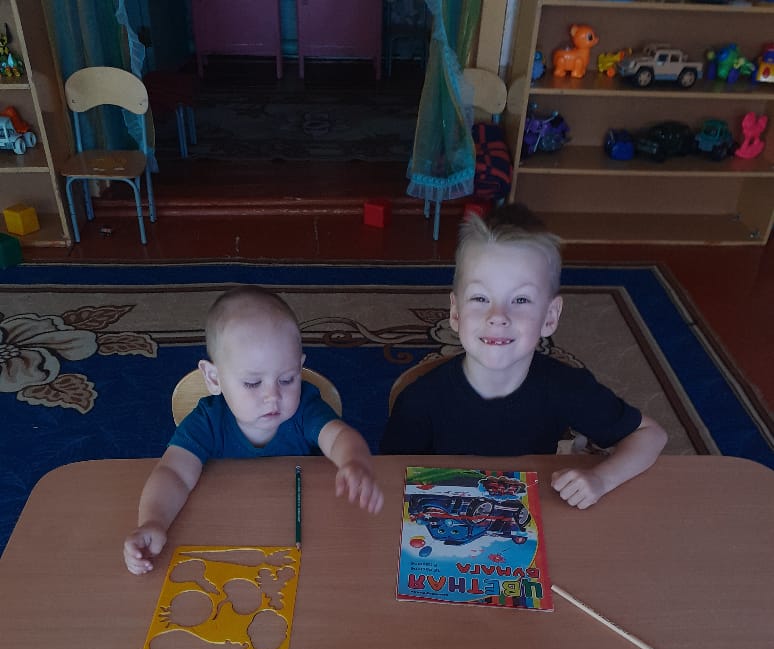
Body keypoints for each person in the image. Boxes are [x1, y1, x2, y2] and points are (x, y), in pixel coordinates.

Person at [380, 213, 666, 509]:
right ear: (455, 313)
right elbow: (388, 477)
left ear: (550, 317)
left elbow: (650, 435)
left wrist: (601, 479)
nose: (498, 316)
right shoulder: (419, 401)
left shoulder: (566, 386)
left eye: (520, 300)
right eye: (480, 298)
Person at [124, 286, 383, 574]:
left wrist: (354, 461)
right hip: (229, 533)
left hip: (301, 534)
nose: (273, 396)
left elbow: (339, 436)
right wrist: (153, 521)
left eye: (287, 379)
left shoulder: (305, 408)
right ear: (214, 378)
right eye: (252, 383)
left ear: (299, 367)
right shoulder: (208, 421)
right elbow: (173, 473)